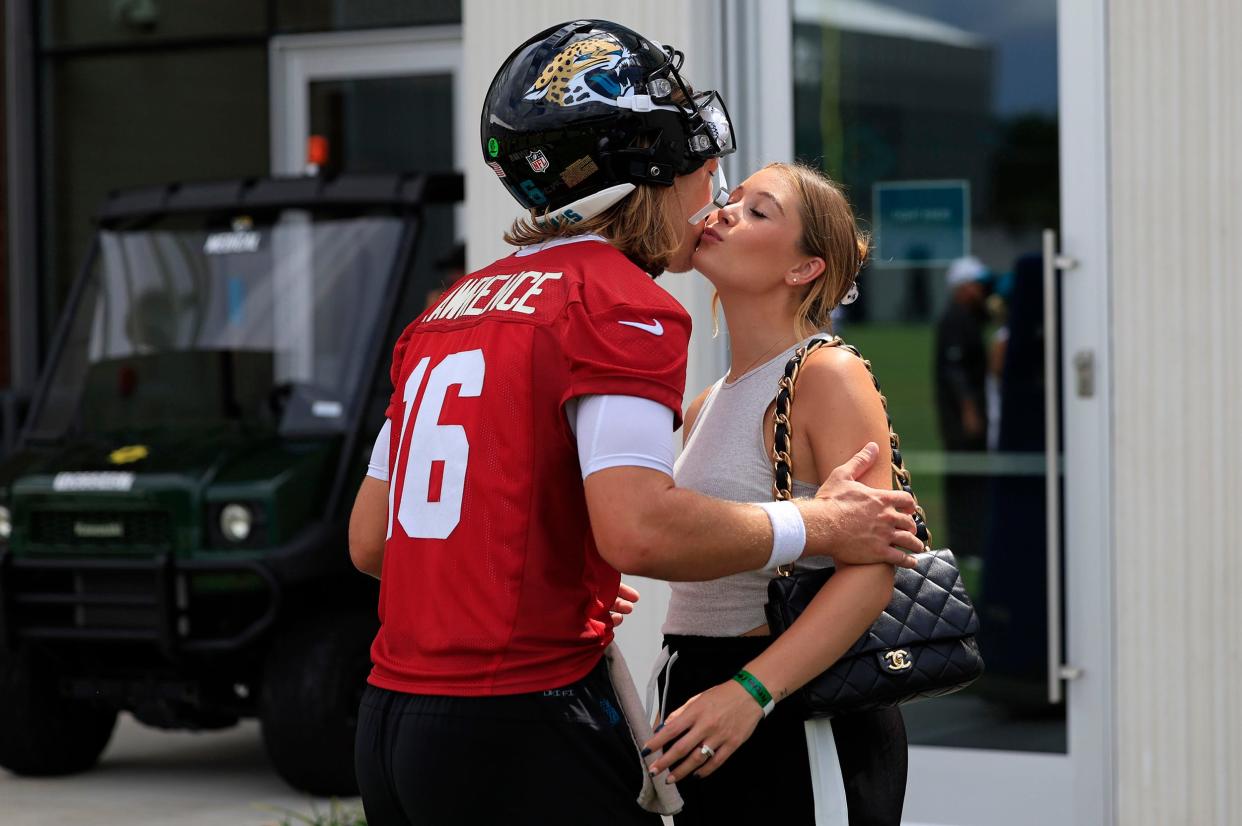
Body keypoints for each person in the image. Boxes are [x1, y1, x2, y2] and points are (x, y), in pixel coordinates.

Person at [346, 21, 922, 826]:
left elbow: (374, 542)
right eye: (699, 159)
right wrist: (815, 524)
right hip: (521, 716)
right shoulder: (618, 302)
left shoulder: (449, 307)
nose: (714, 190)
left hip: (392, 715)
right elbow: (640, 531)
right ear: (643, 165)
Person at [642, 162, 909, 825]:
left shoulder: (829, 374)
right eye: (730, 200)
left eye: (760, 212)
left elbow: (874, 566)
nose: (724, 212)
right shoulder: (707, 402)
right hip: (697, 688)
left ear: (803, 270)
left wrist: (750, 692)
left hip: (792, 699)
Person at [935, 255, 990, 560]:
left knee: (969, 480)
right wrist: (970, 411)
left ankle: (970, 542)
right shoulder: (956, 320)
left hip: (961, 416)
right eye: (976, 285)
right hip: (960, 419)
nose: (981, 292)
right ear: (963, 287)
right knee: (965, 480)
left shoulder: (965, 317)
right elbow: (954, 371)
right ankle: (966, 544)